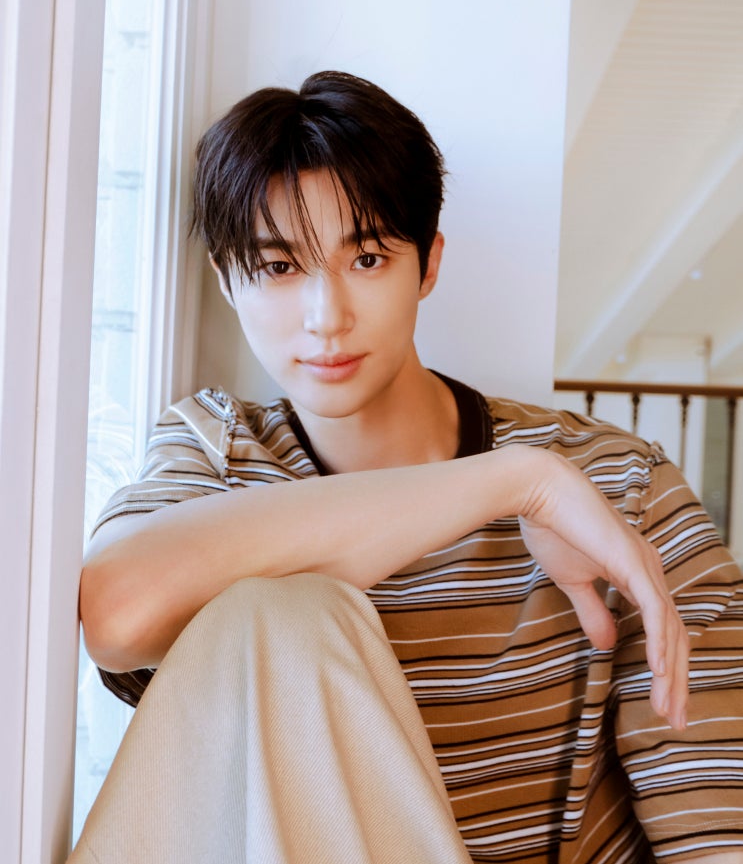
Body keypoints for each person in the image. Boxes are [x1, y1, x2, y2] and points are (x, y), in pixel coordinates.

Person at [70, 72, 742, 863]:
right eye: (279, 267)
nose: (326, 317)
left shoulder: (615, 482)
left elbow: (716, 829)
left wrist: (547, 478)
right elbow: (114, 612)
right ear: (227, 280)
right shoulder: (218, 455)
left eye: (366, 257)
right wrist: (514, 481)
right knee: (283, 613)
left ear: (426, 265)